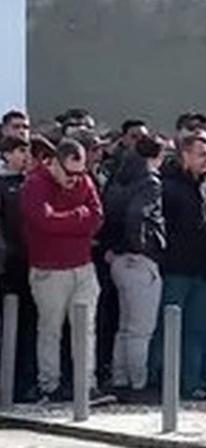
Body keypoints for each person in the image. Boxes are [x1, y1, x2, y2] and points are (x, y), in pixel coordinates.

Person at [20, 138, 111, 404]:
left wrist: (70, 219)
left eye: (80, 173)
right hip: (48, 269)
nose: (75, 180)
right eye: (70, 174)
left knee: (86, 328)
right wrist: (78, 218)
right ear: (55, 163)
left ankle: (87, 385)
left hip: (83, 267)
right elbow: (43, 221)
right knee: (50, 329)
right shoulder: (35, 184)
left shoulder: (84, 181)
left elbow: (97, 217)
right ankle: (50, 385)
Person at [156, 131, 206, 399]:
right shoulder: (168, 187)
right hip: (177, 269)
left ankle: (205, 378)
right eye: (201, 154)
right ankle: (180, 381)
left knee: (205, 327)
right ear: (184, 156)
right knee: (174, 329)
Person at [103, 136, 166, 402]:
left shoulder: (118, 179)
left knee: (125, 326)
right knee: (141, 328)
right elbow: (137, 215)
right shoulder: (149, 182)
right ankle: (138, 384)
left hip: (117, 259)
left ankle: (120, 378)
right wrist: (138, 247)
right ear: (157, 156)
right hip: (138, 260)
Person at [0, 137, 37, 401]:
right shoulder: (3, 186)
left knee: (27, 327)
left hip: (32, 263)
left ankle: (24, 383)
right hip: (9, 267)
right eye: (20, 151)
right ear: (6, 155)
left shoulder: (32, 184)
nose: (26, 156)